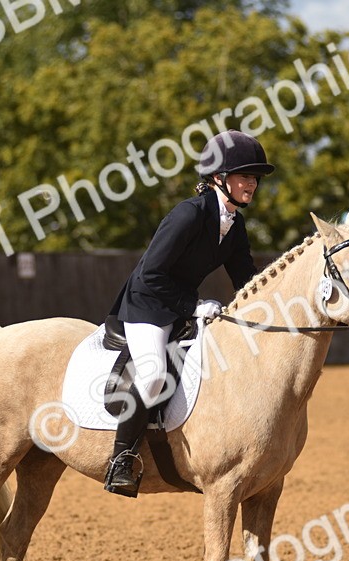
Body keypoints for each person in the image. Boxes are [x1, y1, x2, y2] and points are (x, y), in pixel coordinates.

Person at [103, 130, 275, 497]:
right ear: (218, 178)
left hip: (181, 306)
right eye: (245, 175)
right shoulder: (188, 214)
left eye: (255, 177)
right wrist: (194, 306)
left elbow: (247, 281)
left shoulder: (235, 225)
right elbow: (151, 274)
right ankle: (121, 458)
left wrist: (269, 310)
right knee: (151, 375)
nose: (252, 183)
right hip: (147, 305)